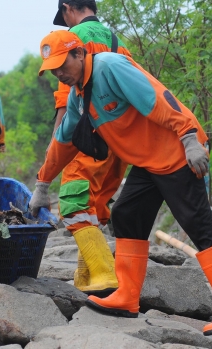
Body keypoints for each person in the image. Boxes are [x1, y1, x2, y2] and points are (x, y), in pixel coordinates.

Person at [30, 30, 212, 336]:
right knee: (126, 214)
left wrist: (189, 136)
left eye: (62, 65)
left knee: (195, 219)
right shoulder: (77, 97)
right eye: (53, 70)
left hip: (177, 151)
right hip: (148, 162)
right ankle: (127, 298)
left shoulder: (110, 66)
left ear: (79, 54)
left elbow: (158, 96)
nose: (59, 73)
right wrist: (42, 184)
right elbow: (63, 142)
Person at [49, 0, 131, 297]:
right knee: (95, 205)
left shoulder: (71, 41)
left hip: (87, 136)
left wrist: (56, 147)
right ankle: (87, 279)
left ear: (68, 8)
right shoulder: (117, 42)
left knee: (73, 201)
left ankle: (104, 274)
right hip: (119, 140)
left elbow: (65, 103)